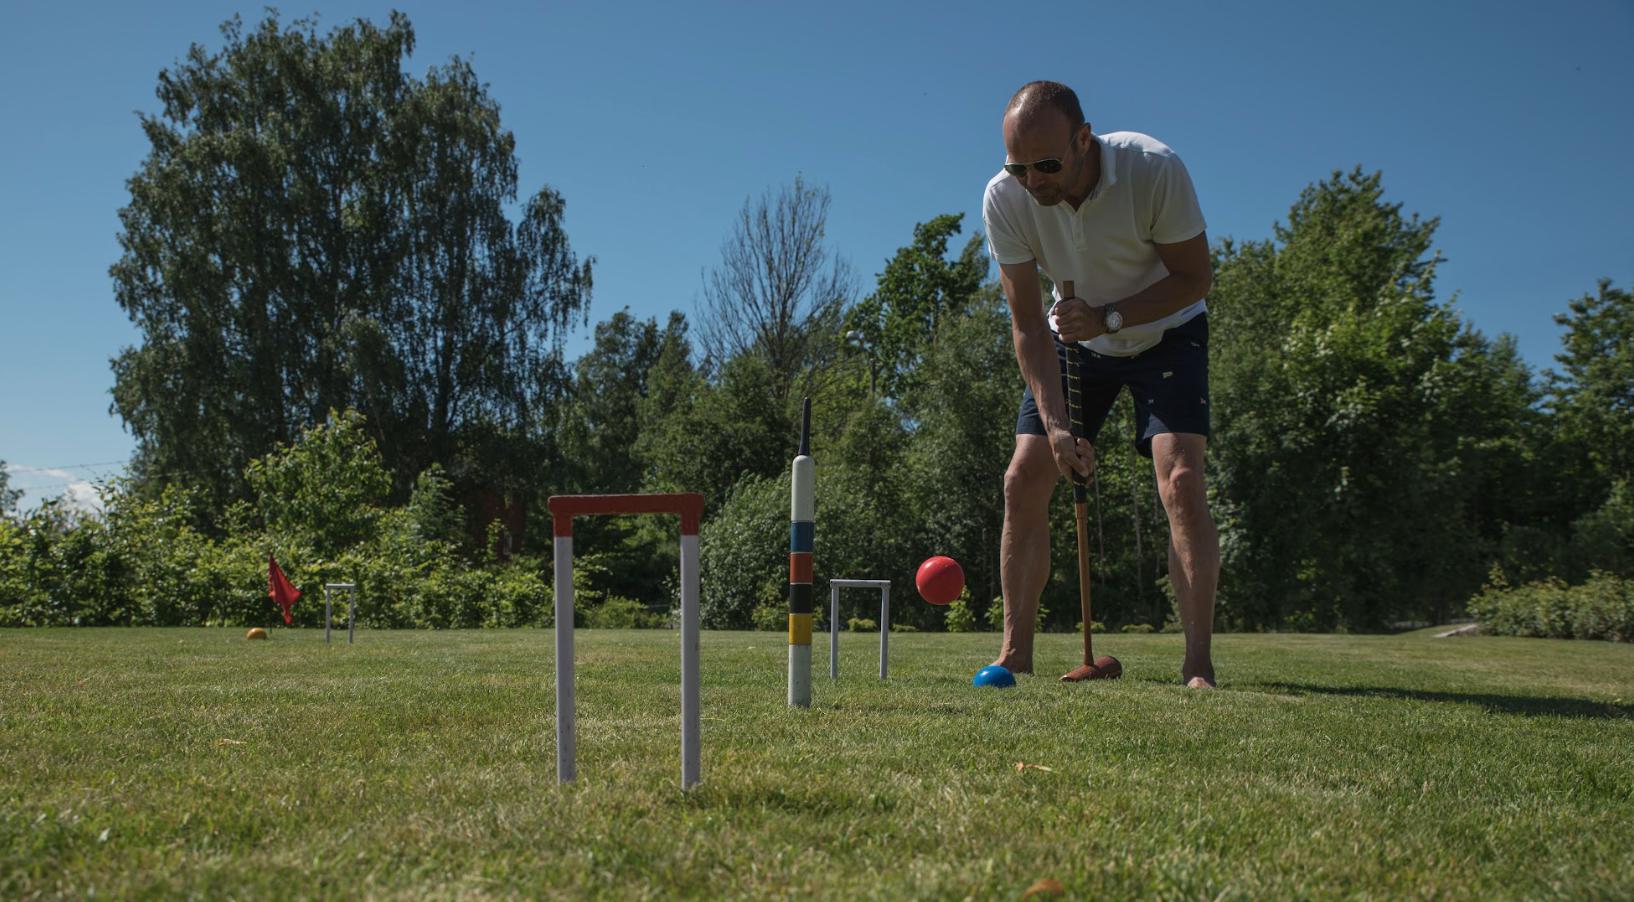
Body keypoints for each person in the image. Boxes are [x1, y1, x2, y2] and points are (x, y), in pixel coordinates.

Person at [981, 81, 1219, 688]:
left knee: (1182, 481)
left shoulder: (1152, 169)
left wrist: (1111, 317)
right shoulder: (1006, 199)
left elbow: (1195, 278)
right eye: (1018, 166)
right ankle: (1016, 655)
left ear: (1084, 139)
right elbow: (1029, 324)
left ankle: (1197, 665)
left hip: (1167, 331)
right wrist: (1058, 429)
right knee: (1024, 474)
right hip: (1074, 341)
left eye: (1047, 164)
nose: (1032, 180)